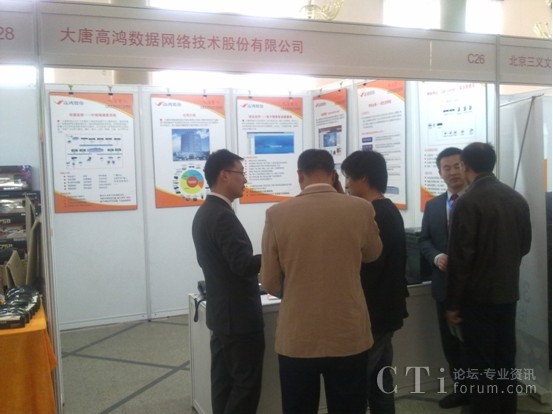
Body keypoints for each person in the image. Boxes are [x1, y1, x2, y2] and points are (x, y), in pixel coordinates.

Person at [260, 149, 383, 414]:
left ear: (299, 175)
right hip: (348, 332)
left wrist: (292, 289)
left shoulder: (276, 214)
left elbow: (269, 282)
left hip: (298, 335)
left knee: (299, 407)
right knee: (349, 407)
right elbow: (373, 254)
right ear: (333, 175)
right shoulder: (361, 208)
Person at [446, 142, 532, 414]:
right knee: (505, 359)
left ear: (465, 166)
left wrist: (452, 303)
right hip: (508, 293)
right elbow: (525, 246)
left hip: (477, 299)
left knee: (481, 365)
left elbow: (461, 259)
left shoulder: (467, 202)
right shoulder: (516, 198)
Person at [191, 149, 264, 414]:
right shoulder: (222, 216)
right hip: (239, 318)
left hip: (222, 314)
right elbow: (242, 265)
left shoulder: (205, 212)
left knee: (223, 382)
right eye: (241, 173)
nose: (245, 180)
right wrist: (275, 254)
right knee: (245, 385)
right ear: (224, 175)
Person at [341, 150, 408, 414]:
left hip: (375, 313)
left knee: (358, 381)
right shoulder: (386, 209)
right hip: (384, 310)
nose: (347, 184)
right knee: (381, 381)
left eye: (349, 178)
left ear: (363, 178)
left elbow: (369, 266)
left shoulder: (374, 214)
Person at [419, 147, 469, 409]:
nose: (452, 172)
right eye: (446, 168)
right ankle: (462, 389)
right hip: (444, 286)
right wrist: (437, 256)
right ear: (440, 173)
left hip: (474, 288)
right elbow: (424, 240)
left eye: (457, 166)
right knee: (451, 344)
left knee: (476, 344)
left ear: (466, 167)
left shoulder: (478, 201)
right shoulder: (434, 205)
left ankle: (482, 393)